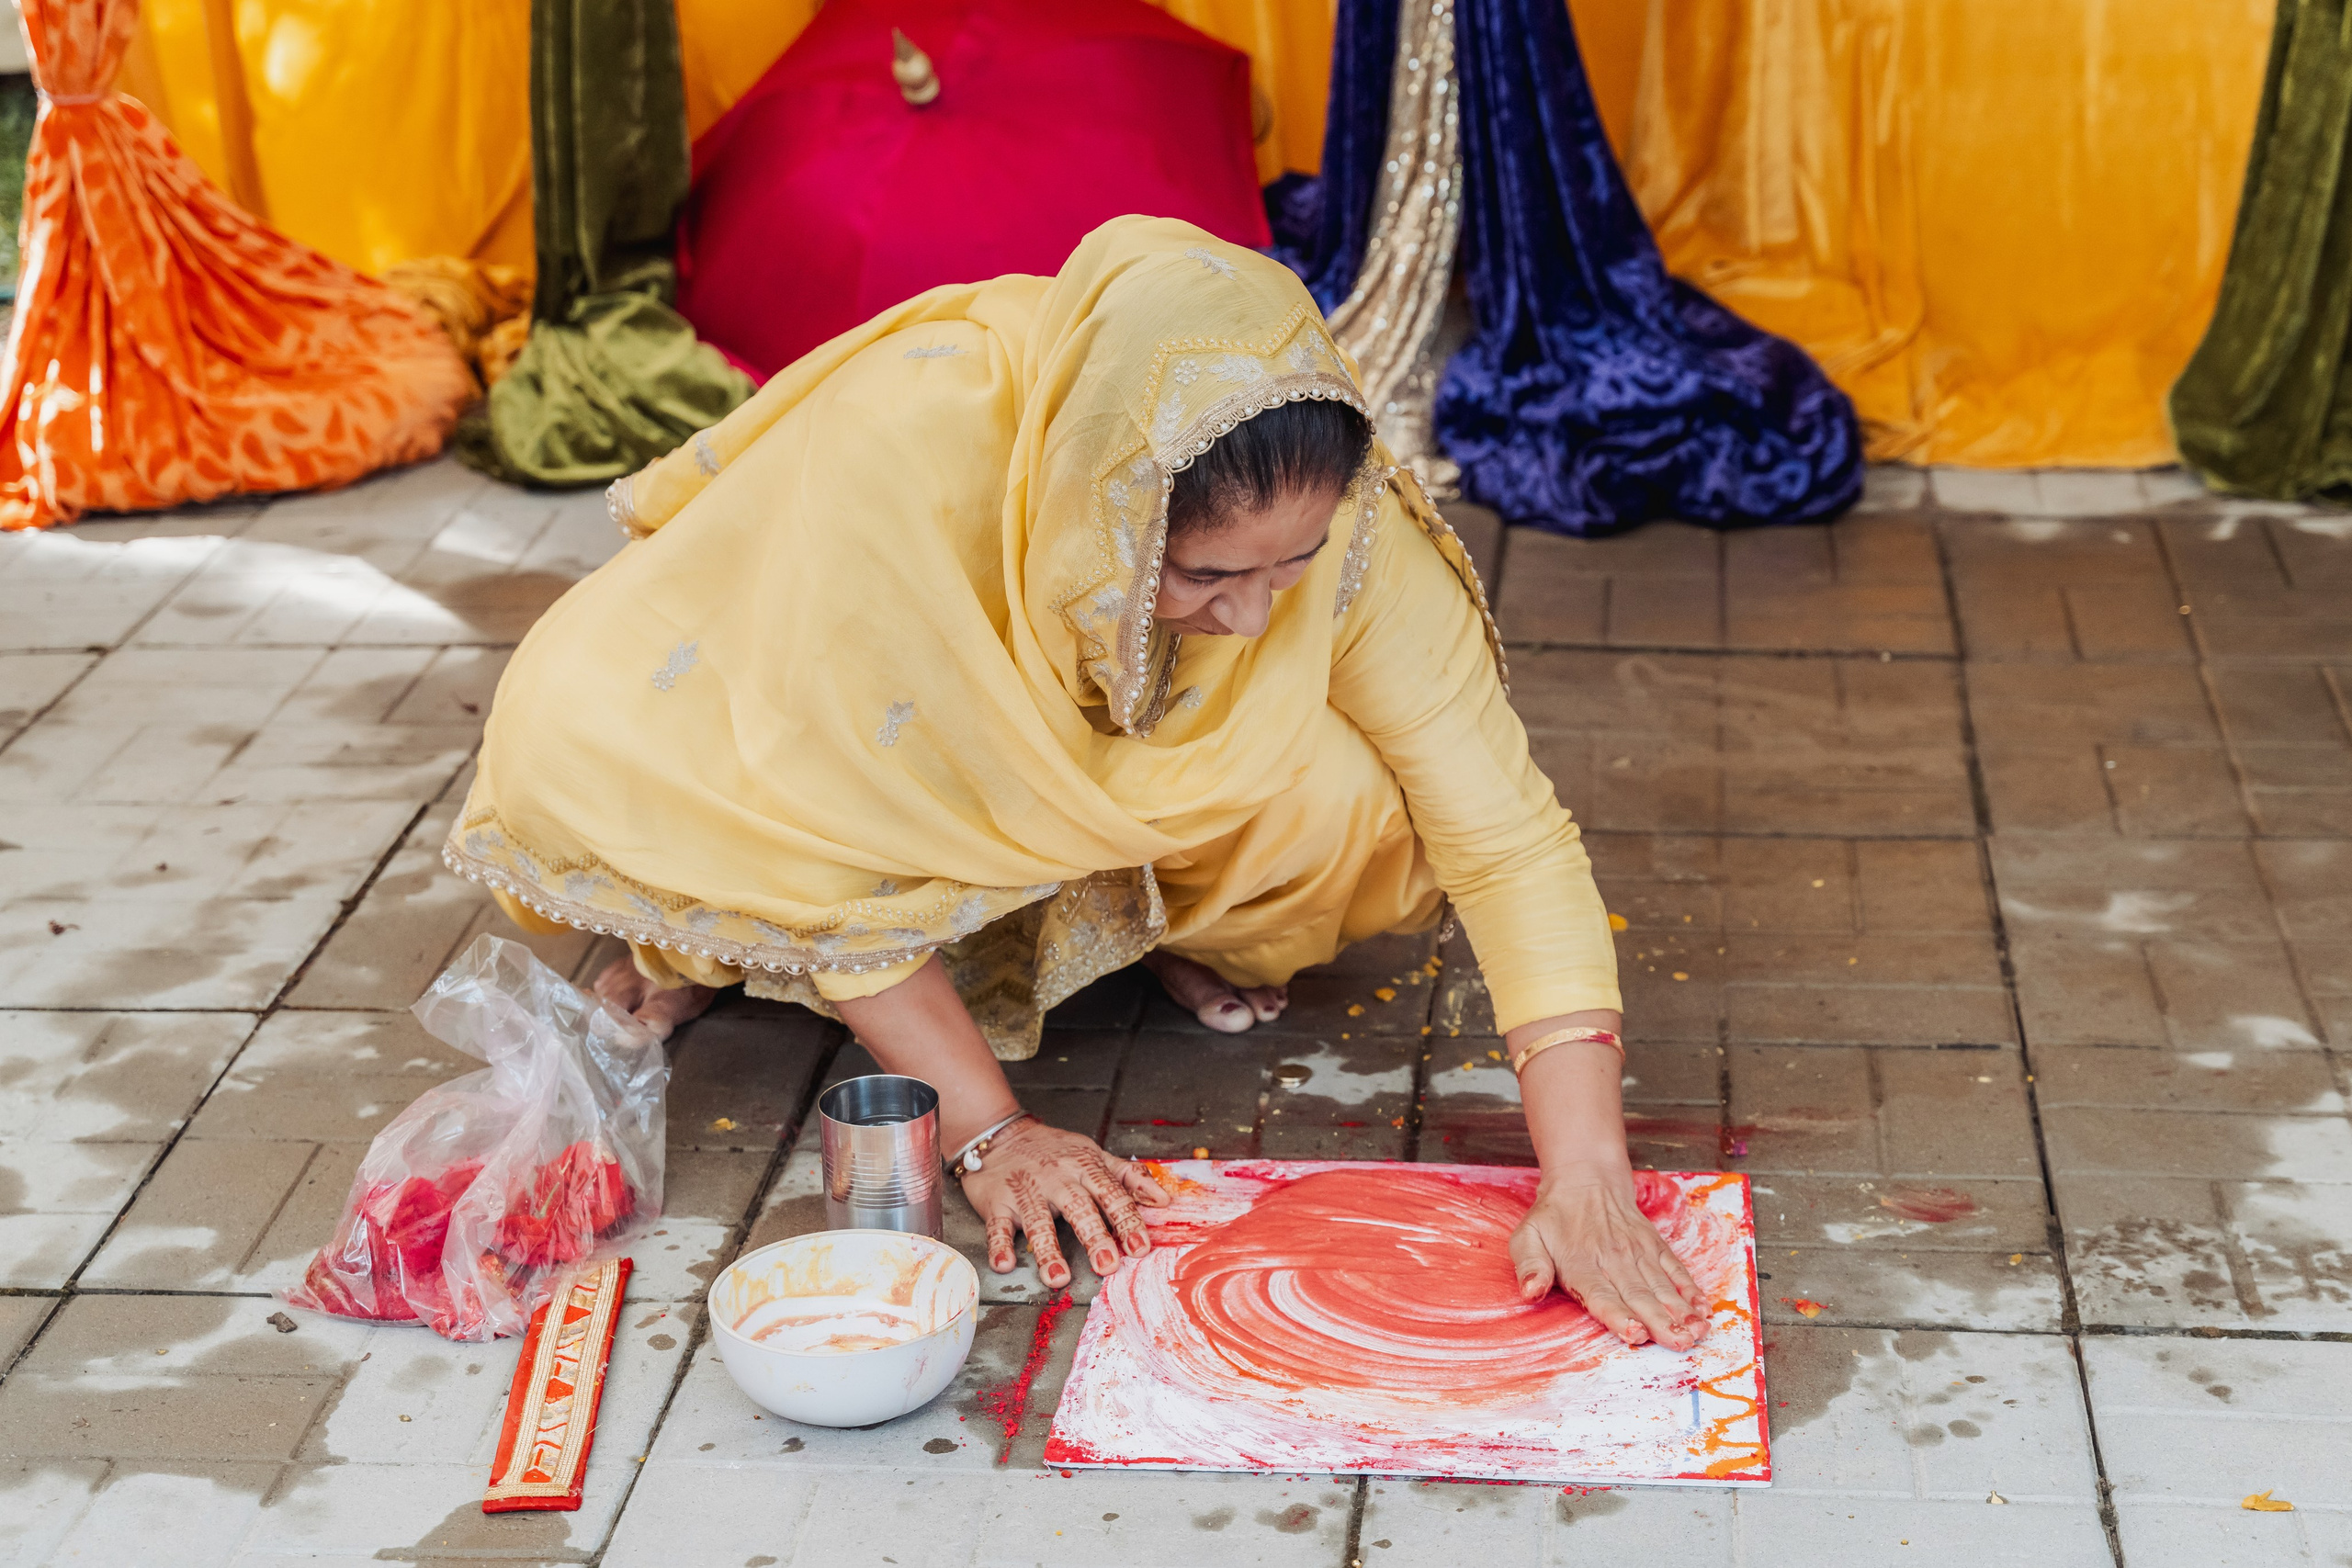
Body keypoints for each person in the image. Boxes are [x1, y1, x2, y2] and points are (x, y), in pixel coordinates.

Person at [448, 217, 1709, 1351]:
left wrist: (1588, 1168)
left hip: (1057, 777)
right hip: (809, 741)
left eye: (1297, 564)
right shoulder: (914, 447)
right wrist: (989, 1134)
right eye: (1209, 576)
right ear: (1099, 509)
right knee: (603, 751)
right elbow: (814, 797)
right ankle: (737, 945)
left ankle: (1114, 913)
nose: (1261, 616)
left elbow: (1504, 837)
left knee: (1354, 799)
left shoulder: (1342, 522)